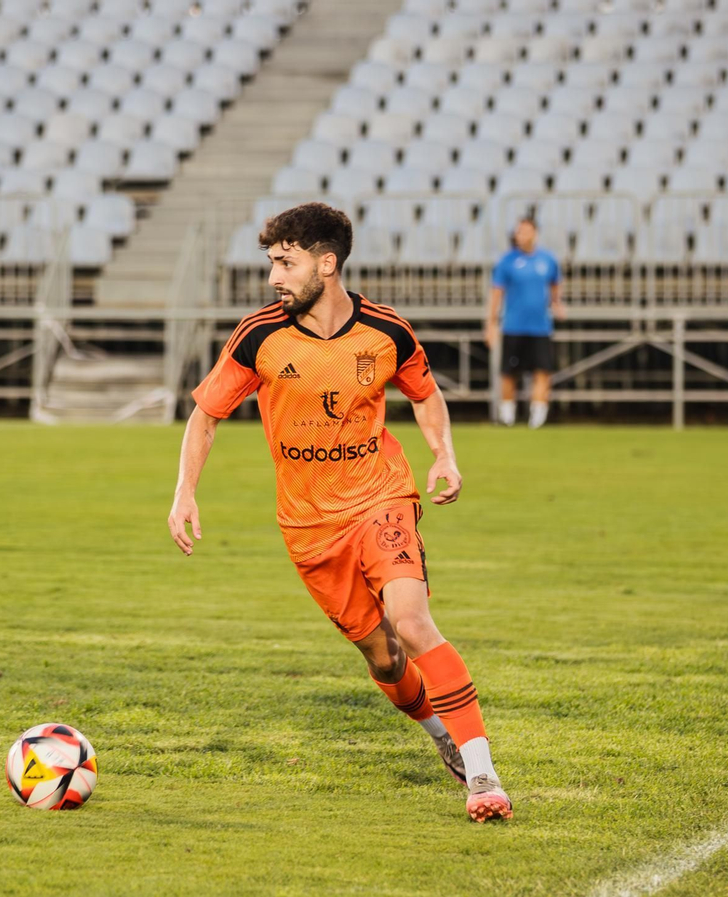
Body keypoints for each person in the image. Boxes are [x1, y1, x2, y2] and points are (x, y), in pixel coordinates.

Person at [166, 203, 511, 823]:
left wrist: (443, 457)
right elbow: (206, 415)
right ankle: (439, 734)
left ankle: (482, 771)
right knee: (384, 657)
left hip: (380, 497)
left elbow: (426, 395)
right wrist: (185, 491)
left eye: (286, 262)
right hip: (307, 525)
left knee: (410, 620)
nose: (274, 276)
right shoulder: (258, 336)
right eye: (271, 262)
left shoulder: (388, 332)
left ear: (327, 264)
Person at [487, 218, 565, 428]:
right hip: (513, 326)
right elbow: (496, 293)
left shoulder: (548, 260)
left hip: (541, 327)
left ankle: (537, 418)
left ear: (535, 233)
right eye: (519, 232)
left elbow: (555, 284)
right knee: (509, 372)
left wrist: (557, 303)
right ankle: (507, 417)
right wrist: (491, 324)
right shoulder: (507, 261)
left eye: (526, 231)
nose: (522, 235)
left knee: (543, 371)